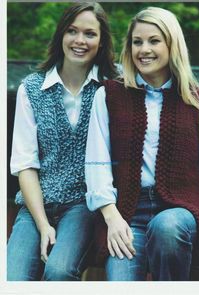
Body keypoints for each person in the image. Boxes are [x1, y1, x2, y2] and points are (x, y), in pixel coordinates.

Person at [85, 6, 199, 281]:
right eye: (137, 42)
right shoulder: (109, 96)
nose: (143, 49)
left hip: (179, 212)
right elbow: (97, 162)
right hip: (126, 214)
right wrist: (112, 218)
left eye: (154, 41)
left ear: (172, 45)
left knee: (166, 225)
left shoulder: (197, 102)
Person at [7, 2, 117, 281]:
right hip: (36, 204)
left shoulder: (113, 86)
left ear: (102, 41)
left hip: (84, 206)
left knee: (58, 271)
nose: (80, 41)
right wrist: (43, 224)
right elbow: (25, 164)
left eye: (90, 34)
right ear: (60, 36)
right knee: (12, 276)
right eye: (72, 31)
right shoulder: (31, 88)